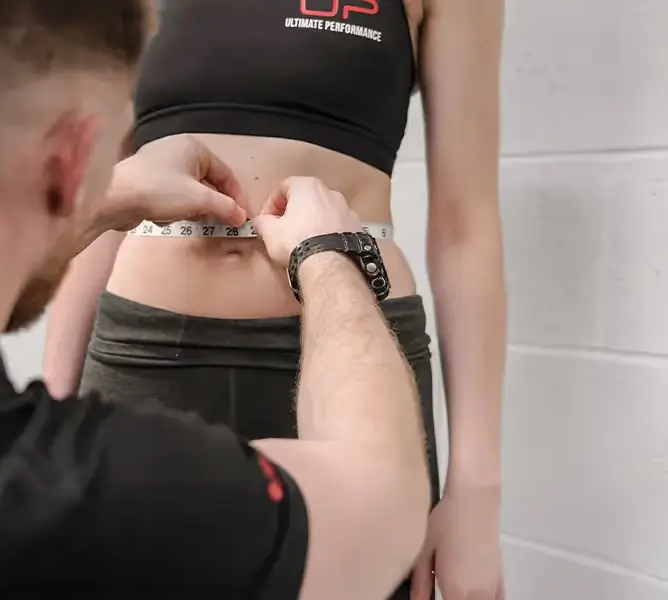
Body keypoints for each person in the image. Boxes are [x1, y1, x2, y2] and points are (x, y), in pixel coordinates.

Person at [0, 1, 430, 598]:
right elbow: (381, 502)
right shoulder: (59, 498)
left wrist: (95, 198)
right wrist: (329, 259)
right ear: (73, 160)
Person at [44, 1, 507, 599]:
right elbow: (105, 196)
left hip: (352, 371)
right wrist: (51, 417)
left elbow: (465, 226)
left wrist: (477, 490)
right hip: (145, 356)